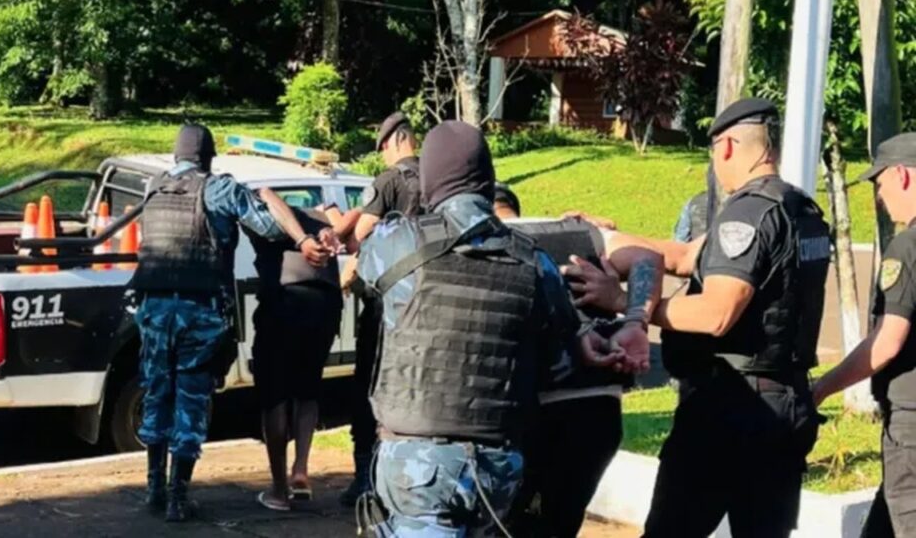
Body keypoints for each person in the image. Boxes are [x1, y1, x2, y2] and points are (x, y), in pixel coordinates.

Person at [356, 120, 651, 536]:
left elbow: (362, 267)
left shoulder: (399, 243)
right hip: (497, 468)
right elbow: (561, 339)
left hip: (418, 465)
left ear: (430, 179)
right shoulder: (535, 261)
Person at [576, 99, 830, 537]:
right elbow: (686, 256)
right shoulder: (798, 208)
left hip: (731, 407)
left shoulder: (748, 212)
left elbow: (716, 313)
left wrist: (623, 301)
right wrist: (607, 238)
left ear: (727, 146)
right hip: (784, 404)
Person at [132, 123, 331, 522]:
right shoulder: (219, 188)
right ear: (208, 157)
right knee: (191, 399)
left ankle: (154, 489)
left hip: (153, 307)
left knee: (157, 394)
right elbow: (269, 227)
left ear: (176, 156)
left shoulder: (153, 187)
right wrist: (292, 215)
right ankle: (178, 498)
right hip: (198, 310)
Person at [507, 216, 662, 538]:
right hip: (596, 401)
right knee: (560, 519)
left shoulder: (480, 236)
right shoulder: (578, 232)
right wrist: (635, 319)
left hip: (525, 403)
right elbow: (648, 256)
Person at [813, 133, 916, 537]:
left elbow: (886, 342)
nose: (879, 196)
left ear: (903, 175)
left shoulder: (907, 248)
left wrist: (822, 387)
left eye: (880, 182)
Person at [339, 111, 424, 506]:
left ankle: (365, 479)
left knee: (368, 387)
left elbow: (361, 234)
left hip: (386, 302)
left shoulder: (389, 180)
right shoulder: (436, 180)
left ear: (395, 141)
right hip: (426, 303)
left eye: (384, 148)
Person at [248, 207, 343, 512]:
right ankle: (300, 471)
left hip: (284, 300)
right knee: (307, 389)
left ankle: (279, 490)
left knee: (275, 396)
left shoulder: (265, 215)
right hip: (325, 303)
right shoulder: (322, 219)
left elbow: (264, 193)